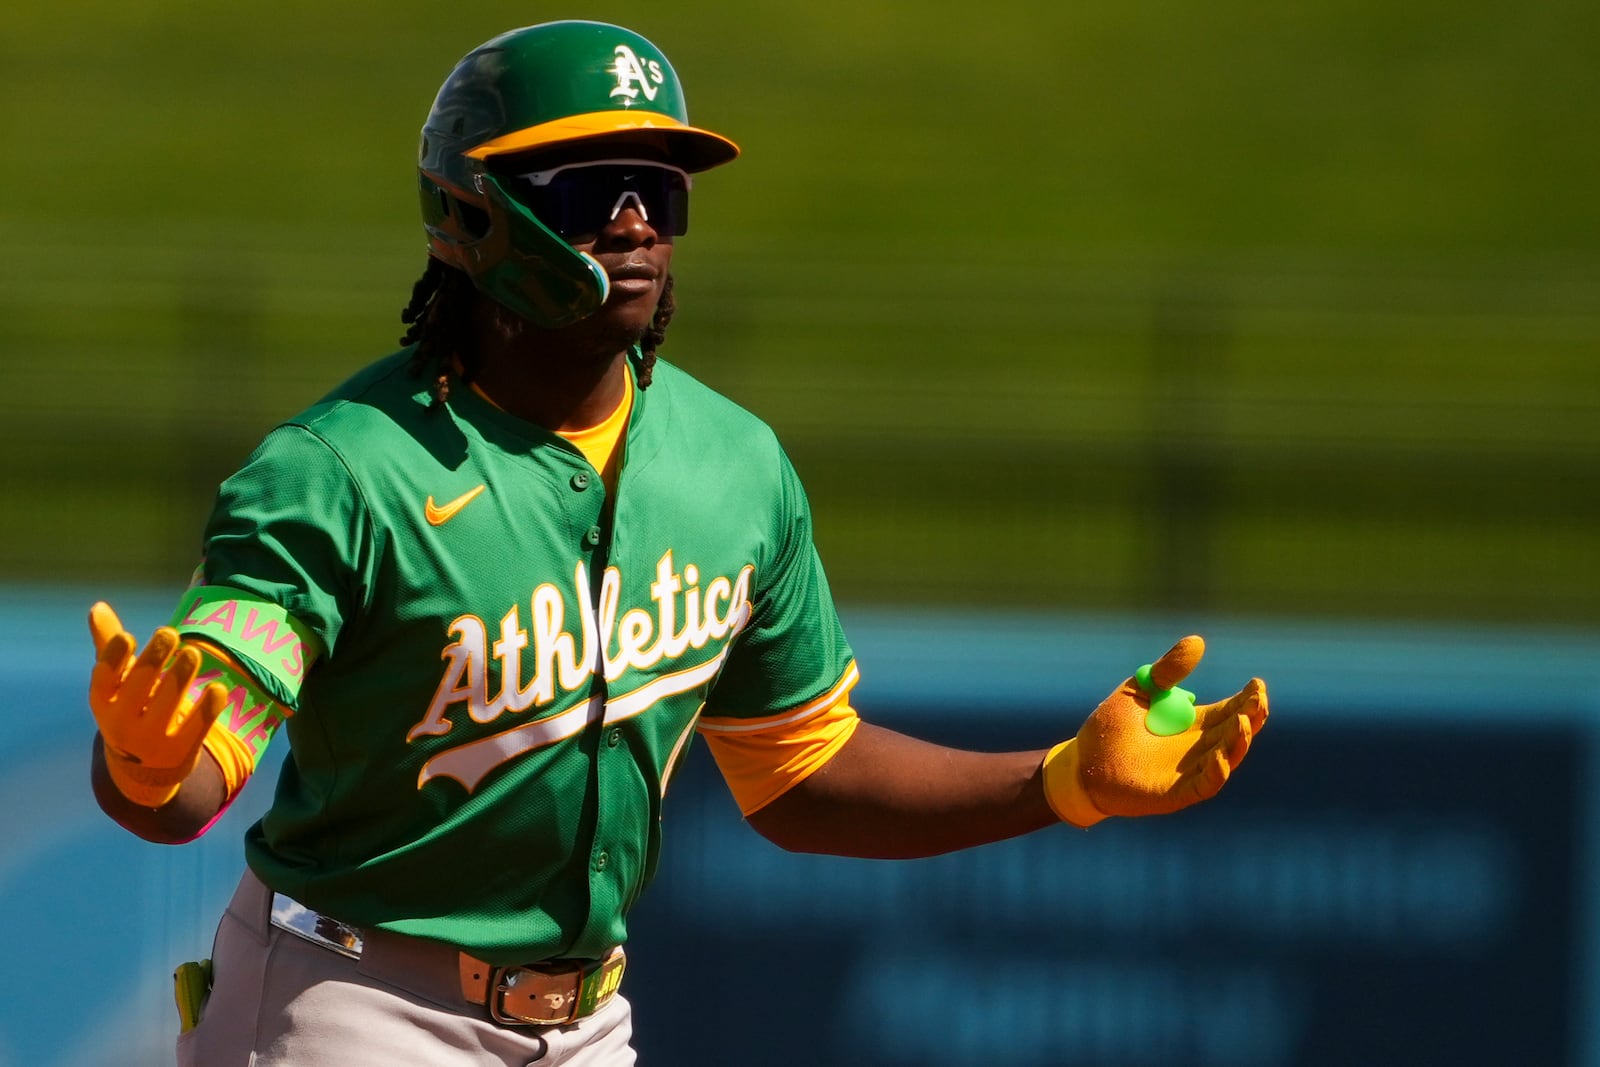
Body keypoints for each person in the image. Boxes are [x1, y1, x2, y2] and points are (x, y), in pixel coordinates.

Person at [85, 19, 1269, 1067]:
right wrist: (144, 767)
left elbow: (802, 770)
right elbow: (196, 764)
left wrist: (1061, 781)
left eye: (662, 183)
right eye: (589, 184)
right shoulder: (340, 469)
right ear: (471, 211)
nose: (639, 219)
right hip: (350, 1000)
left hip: (589, 1019)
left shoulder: (732, 467)